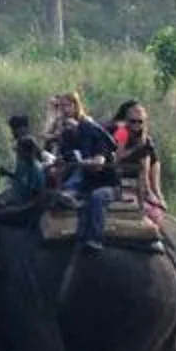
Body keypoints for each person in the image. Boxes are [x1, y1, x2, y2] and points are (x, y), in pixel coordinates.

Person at [51, 91, 120, 246]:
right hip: (87, 184)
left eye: (67, 106)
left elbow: (98, 164)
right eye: (61, 107)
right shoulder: (70, 138)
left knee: (96, 197)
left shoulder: (95, 136)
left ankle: (96, 238)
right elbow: (64, 159)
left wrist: (79, 162)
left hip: (106, 185)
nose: (64, 110)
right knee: (78, 198)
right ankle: (79, 236)